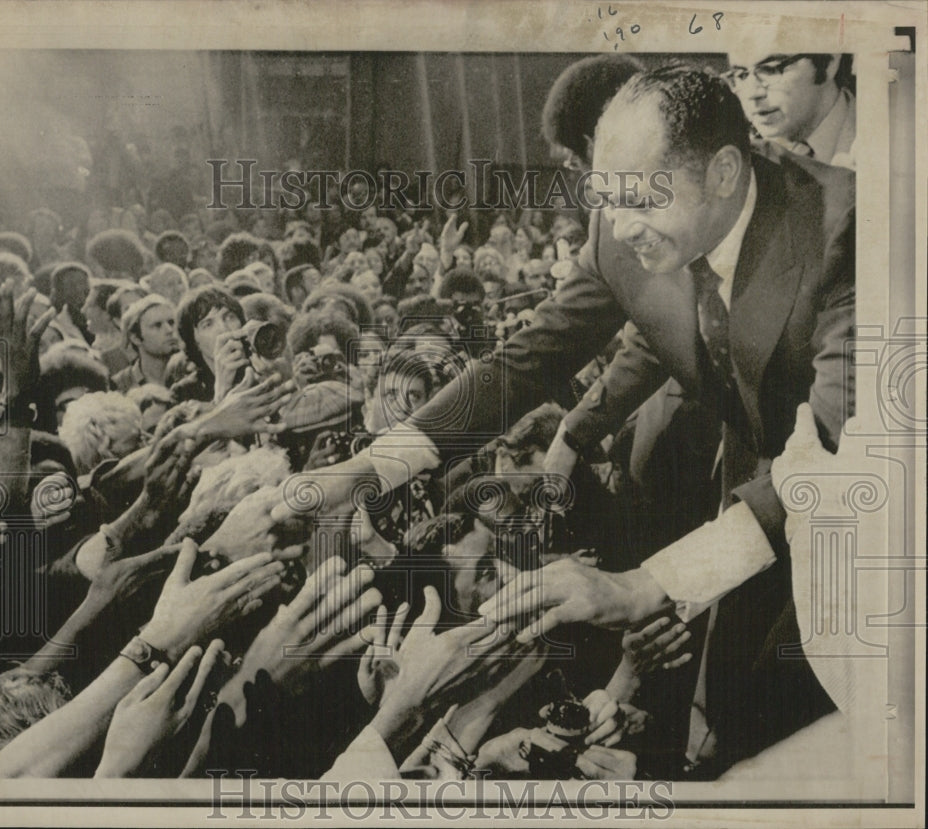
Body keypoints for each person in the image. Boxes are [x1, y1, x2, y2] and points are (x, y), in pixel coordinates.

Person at [273, 66, 854, 777]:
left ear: (725, 172)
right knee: (740, 716)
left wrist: (643, 585)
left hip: (858, 513)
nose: (622, 224)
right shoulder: (619, 234)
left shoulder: (850, 228)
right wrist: (369, 466)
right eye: (606, 198)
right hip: (747, 500)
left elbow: (833, 449)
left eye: (642, 198)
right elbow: (523, 363)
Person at [724, 49, 854, 169]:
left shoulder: (870, 146)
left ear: (829, 63)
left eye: (770, 69)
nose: (751, 94)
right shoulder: (737, 154)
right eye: (741, 75)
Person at [112, 294, 180, 392]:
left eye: (171, 322)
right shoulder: (120, 386)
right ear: (135, 338)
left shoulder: (194, 374)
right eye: (157, 325)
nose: (169, 330)